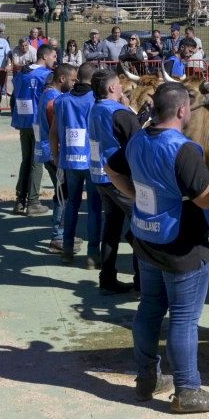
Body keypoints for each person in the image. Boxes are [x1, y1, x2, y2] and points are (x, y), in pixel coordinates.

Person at [104, 82, 209, 414]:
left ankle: (146, 378)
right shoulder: (184, 149)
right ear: (182, 111)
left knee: (150, 308)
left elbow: (110, 168)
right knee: (183, 318)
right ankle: (187, 391)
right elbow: (204, 198)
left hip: (146, 239)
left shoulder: (138, 138)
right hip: (181, 247)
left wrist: (137, 196)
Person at [85, 67, 142, 291]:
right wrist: (131, 111)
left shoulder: (95, 109)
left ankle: (107, 278)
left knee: (111, 227)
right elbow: (139, 142)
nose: (121, 86)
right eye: (119, 83)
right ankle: (141, 281)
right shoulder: (120, 113)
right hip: (120, 179)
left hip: (100, 176)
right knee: (139, 227)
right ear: (111, 88)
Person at [11, 45, 57, 216]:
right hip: (38, 122)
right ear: (44, 57)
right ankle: (33, 202)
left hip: (23, 120)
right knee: (37, 160)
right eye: (53, 56)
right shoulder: (46, 75)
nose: (55, 59)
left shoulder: (22, 72)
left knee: (26, 159)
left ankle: (20, 201)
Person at [40, 63, 77, 254]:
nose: (74, 84)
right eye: (72, 80)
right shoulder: (55, 100)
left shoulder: (48, 94)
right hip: (54, 153)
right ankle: (58, 236)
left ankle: (63, 232)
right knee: (63, 195)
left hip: (49, 151)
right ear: (62, 79)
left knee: (62, 193)